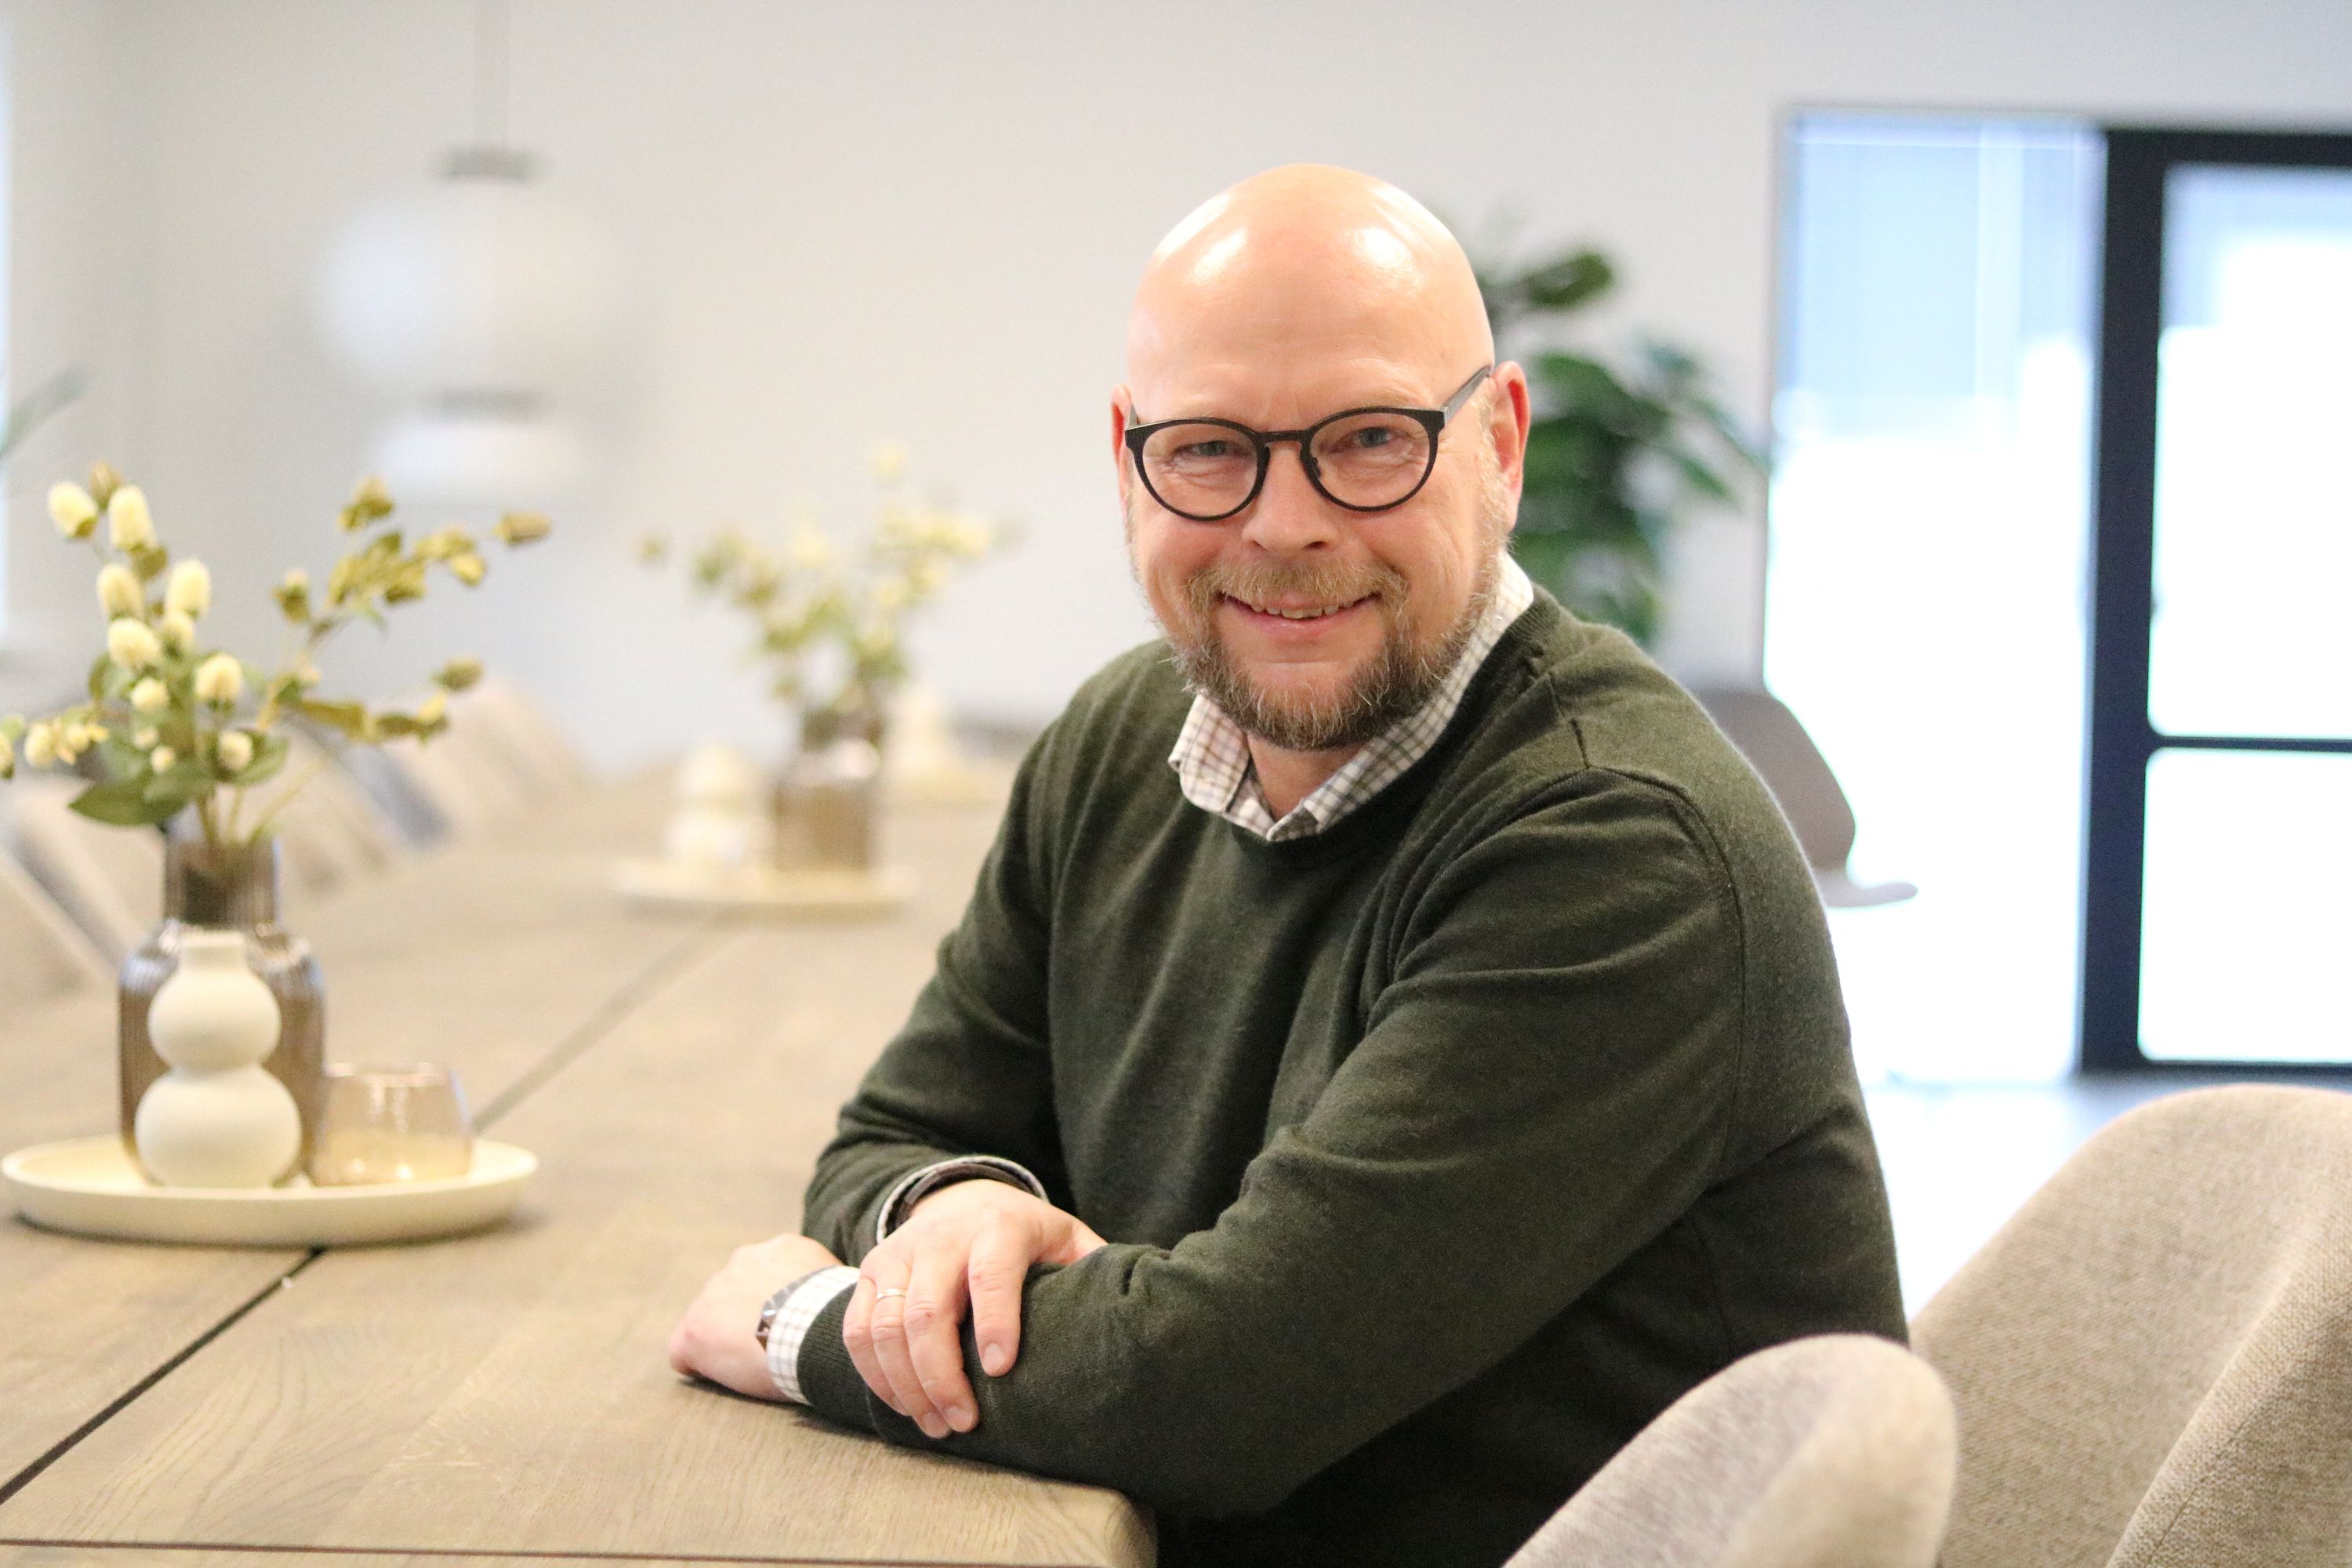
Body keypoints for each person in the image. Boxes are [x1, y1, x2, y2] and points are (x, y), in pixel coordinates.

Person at [670, 163, 1904, 1568]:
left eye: (1369, 439)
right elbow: (888, 1135)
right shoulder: (1119, 742)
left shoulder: (1614, 844)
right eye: (1208, 450)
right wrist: (953, 1214)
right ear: (1128, 458)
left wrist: (808, 1326)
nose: (1284, 523)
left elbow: (1216, 1391)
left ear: (1498, 444)